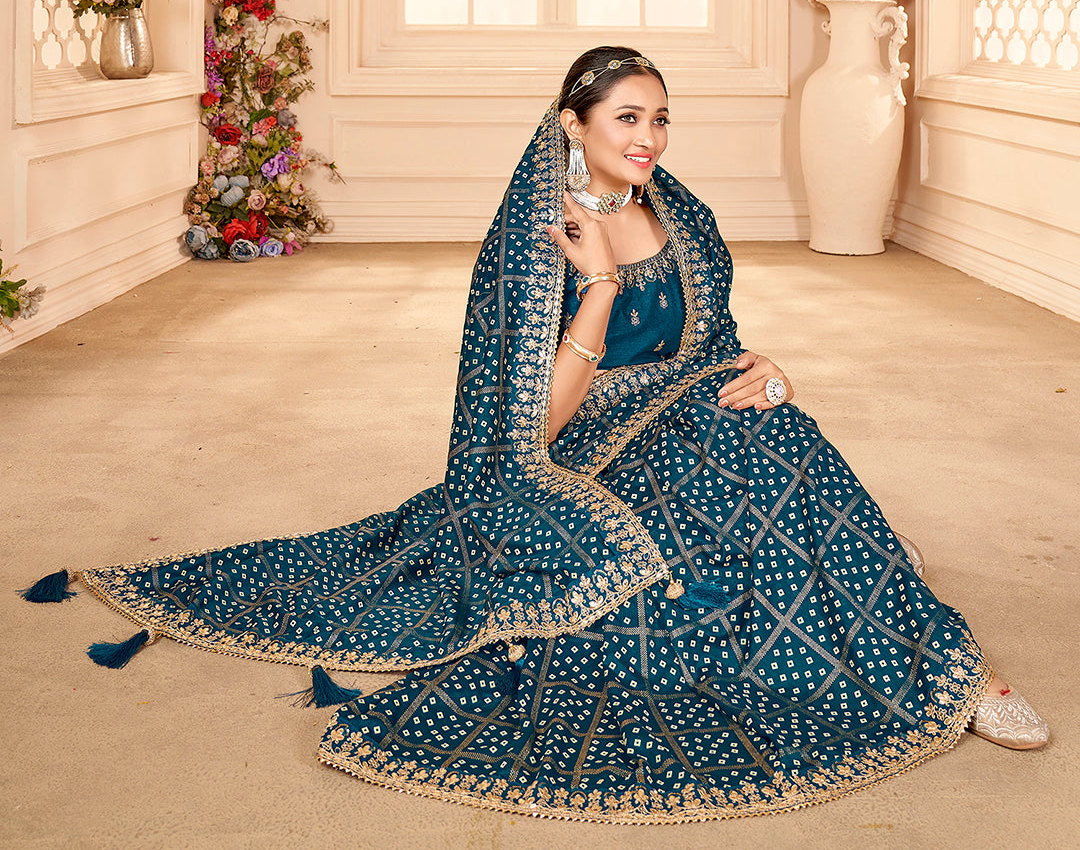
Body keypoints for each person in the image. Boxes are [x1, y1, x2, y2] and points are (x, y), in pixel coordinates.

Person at [23, 45, 1048, 823]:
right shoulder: (536, 237)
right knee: (724, 511)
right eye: (627, 117)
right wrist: (595, 286)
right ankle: (931, 648)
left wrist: (766, 365)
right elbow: (529, 424)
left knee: (780, 427)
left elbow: (715, 341)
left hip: (688, 405)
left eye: (660, 119)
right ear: (573, 121)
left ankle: (933, 645)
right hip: (585, 449)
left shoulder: (680, 213)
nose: (648, 138)